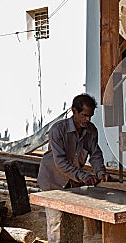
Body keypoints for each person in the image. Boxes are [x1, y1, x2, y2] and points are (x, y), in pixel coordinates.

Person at [37, 93, 109, 242]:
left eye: (90, 116)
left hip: (73, 182)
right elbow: (61, 163)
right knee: (56, 224)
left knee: (75, 224)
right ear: (74, 111)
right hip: (53, 182)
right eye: (84, 115)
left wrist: (100, 172)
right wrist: (84, 176)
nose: (87, 119)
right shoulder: (58, 130)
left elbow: (95, 154)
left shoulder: (91, 130)